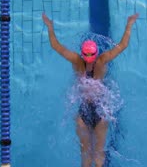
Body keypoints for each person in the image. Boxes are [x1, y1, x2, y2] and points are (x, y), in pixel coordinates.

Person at [42, 12, 139, 167]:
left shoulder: (102, 60)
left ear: (95, 55)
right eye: (86, 56)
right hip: (84, 112)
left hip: (101, 111)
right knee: (85, 155)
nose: (89, 60)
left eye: (91, 56)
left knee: (98, 154)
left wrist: (129, 24)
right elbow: (56, 47)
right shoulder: (76, 61)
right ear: (83, 54)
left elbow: (122, 46)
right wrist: (50, 27)